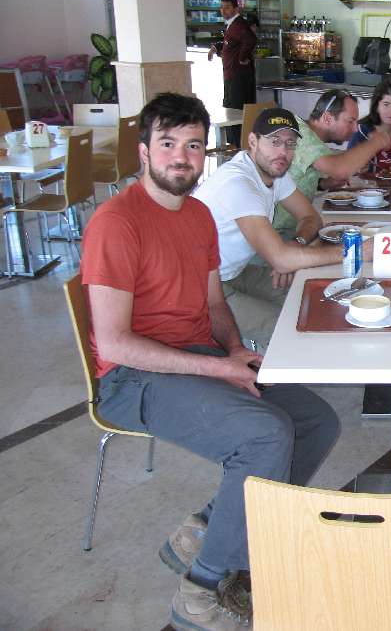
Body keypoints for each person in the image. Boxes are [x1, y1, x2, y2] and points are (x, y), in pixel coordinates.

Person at [80, 93, 340, 631]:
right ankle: (202, 589)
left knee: (318, 420)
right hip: (134, 379)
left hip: (197, 356)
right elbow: (115, 344)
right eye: (168, 144)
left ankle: (208, 527)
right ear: (144, 151)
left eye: (194, 145)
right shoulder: (116, 222)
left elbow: (215, 304)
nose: (182, 157)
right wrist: (219, 369)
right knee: (266, 434)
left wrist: (234, 352)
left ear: (206, 152)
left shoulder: (197, 215)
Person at [194, 107, 372, 352]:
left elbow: (310, 217)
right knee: (289, 330)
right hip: (202, 289)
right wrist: (357, 251)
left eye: (290, 144)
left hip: (236, 272)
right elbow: (281, 259)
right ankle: (261, 365)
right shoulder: (239, 183)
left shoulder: (275, 173)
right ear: (253, 142)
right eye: (274, 141)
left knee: (312, 295)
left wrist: (294, 244)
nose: (282, 152)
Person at [273, 89, 391, 233]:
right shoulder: (301, 134)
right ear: (328, 118)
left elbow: (294, 177)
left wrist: (324, 184)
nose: (355, 129)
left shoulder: (306, 133)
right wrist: (377, 141)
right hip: (276, 232)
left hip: (292, 227)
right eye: (350, 121)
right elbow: (340, 169)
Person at [207, 0, 257, 146]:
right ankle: (234, 145)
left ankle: (238, 146)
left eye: (227, 7)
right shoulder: (232, 25)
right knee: (231, 110)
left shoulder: (239, 24)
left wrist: (242, 58)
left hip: (238, 76)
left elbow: (250, 39)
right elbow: (231, 43)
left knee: (236, 112)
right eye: (221, 7)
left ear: (236, 9)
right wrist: (216, 47)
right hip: (232, 74)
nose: (223, 10)